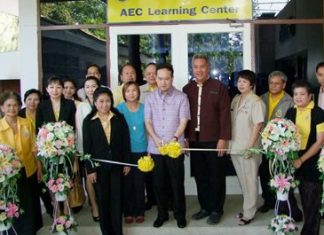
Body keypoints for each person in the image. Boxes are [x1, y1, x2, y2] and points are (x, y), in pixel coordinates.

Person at [183, 54, 231, 225]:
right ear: (192, 68)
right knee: (201, 176)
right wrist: (185, 138)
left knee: (216, 176)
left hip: (214, 140)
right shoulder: (187, 89)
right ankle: (205, 207)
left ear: (208, 67)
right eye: (195, 66)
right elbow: (184, 116)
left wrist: (223, 138)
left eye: (202, 66)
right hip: (195, 141)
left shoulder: (219, 87)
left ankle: (217, 209)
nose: (198, 70)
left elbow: (225, 115)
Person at [145, 63, 190, 228]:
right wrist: (156, 139)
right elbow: (148, 121)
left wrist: (175, 138)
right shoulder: (149, 98)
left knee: (177, 183)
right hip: (155, 147)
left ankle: (180, 215)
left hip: (174, 148)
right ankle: (162, 214)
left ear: (172, 78)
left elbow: (183, 120)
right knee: (158, 184)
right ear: (155, 78)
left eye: (167, 78)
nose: (163, 82)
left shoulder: (181, 97)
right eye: (160, 78)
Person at [83, 87, 131, 235]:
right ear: (95, 103)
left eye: (108, 101)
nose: (105, 104)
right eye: (101, 101)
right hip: (99, 169)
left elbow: (125, 141)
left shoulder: (119, 117)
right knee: (103, 203)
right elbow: (87, 148)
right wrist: (90, 170)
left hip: (117, 167)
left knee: (116, 202)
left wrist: (126, 162)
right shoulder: (89, 121)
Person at [0, 91, 43, 235]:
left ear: (19, 107)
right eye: (8, 105)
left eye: (15, 105)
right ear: (2, 107)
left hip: (28, 169)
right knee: (12, 202)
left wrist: (39, 167)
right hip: (7, 174)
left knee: (28, 202)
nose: (12, 108)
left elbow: (33, 147)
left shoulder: (26, 123)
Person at [285, 80, 324, 235]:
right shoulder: (290, 112)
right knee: (288, 192)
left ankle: (310, 231)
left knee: (311, 201)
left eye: (302, 94)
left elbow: (320, 141)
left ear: (310, 96)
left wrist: (301, 160)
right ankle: (296, 217)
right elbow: (284, 137)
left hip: (312, 159)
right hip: (293, 158)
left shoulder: (318, 113)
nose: (298, 97)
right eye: (295, 94)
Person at [230, 70, 266, 225]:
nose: (241, 84)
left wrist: (250, 147)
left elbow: (258, 125)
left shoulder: (256, 101)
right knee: (243, 181)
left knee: (250, 180)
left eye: (245, 81)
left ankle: (249, 213)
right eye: (239, 81)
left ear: (252, 84)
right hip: (235, 147)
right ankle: (248, 208)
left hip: (249, 148)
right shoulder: (236, 99)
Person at [258, 71, 294, 213]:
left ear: (284, 84)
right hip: (263, 144)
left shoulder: (290, 101)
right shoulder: (262, 98)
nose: (273, 86)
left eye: (277, 83)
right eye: (271, 83)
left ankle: (282, 202)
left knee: (280, 174)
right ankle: (268, 201)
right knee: (264, 173)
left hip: (280, 147)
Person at [18, 89, 54, 219]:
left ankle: (50, 209)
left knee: (43, 180)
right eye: (29, 99)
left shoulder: (43, 112)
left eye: (36, 99)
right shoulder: (19, 114)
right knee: (36, 183)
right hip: (27, 153)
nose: (32, 102)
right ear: (25, 100)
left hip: (44, 151)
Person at [117, 81, 147, 224]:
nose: (131, 93)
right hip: (125, 152)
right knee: (127, 183)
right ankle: (128, 212)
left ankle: (139, 211)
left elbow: (148, 130)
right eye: (128, 91)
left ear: (138, 92)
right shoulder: (119, 109)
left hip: (142, 150)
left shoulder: (145, 108)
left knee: (139, 183)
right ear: (124, 93)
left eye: (134, 90)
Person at [75, 76, 100, 221]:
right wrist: (82, 152)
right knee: (90, 178)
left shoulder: (103, 103)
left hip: (103, 150)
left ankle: (102, 205)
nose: (91, 89)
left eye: (94, 86)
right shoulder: (81, 107)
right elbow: (79, 130)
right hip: (88, 149)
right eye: (88, 87)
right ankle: (94, 207)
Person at [139, 63, 157, 210]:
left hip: (163, 136)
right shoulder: (139, 91)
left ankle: (166, 198)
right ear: (145, 75)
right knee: (149, 170)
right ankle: (151, 198)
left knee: (163, 171)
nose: (151, 76)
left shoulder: (165, 88)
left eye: (154, 73)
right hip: (145, 135)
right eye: (148, 73)